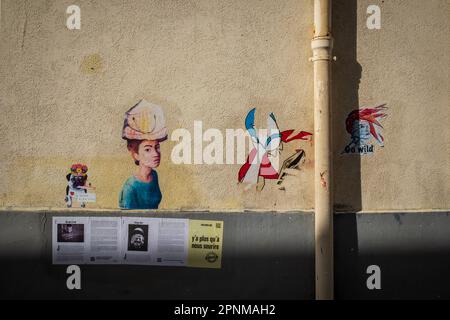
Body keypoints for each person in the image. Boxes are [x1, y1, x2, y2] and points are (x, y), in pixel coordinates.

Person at [119, 99, 168, 209]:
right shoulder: (130, 188)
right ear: (136, 154)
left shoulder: (154, 175)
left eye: (157, 147)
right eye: (147, 149)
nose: (156, 154)